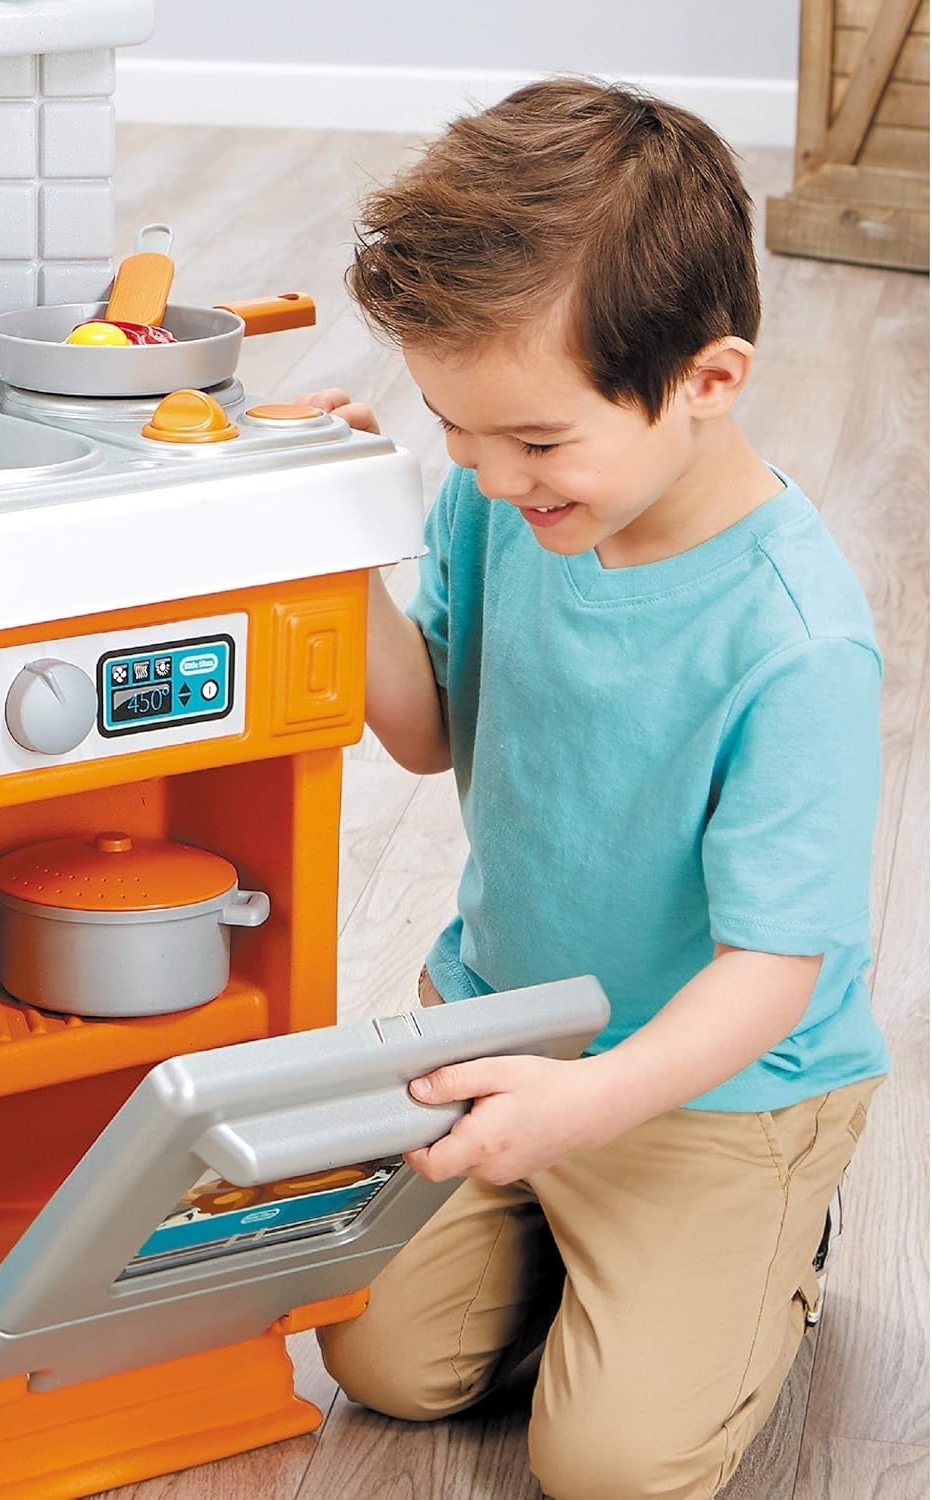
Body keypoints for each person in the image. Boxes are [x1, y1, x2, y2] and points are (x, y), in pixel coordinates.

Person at [309, 78, 889, 1500]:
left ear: (709, 381)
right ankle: (590, 1271)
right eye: (454, 430)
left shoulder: (794, 640)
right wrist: (338, 544)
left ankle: (765, 1253)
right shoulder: (504, 501)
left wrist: (591, 1107)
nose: (488, 474)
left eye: (534, 441)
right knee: (379, 1359)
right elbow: (425, 733)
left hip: (711, 1089)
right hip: (507, 1024)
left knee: (611, 1470)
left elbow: (772, 970)